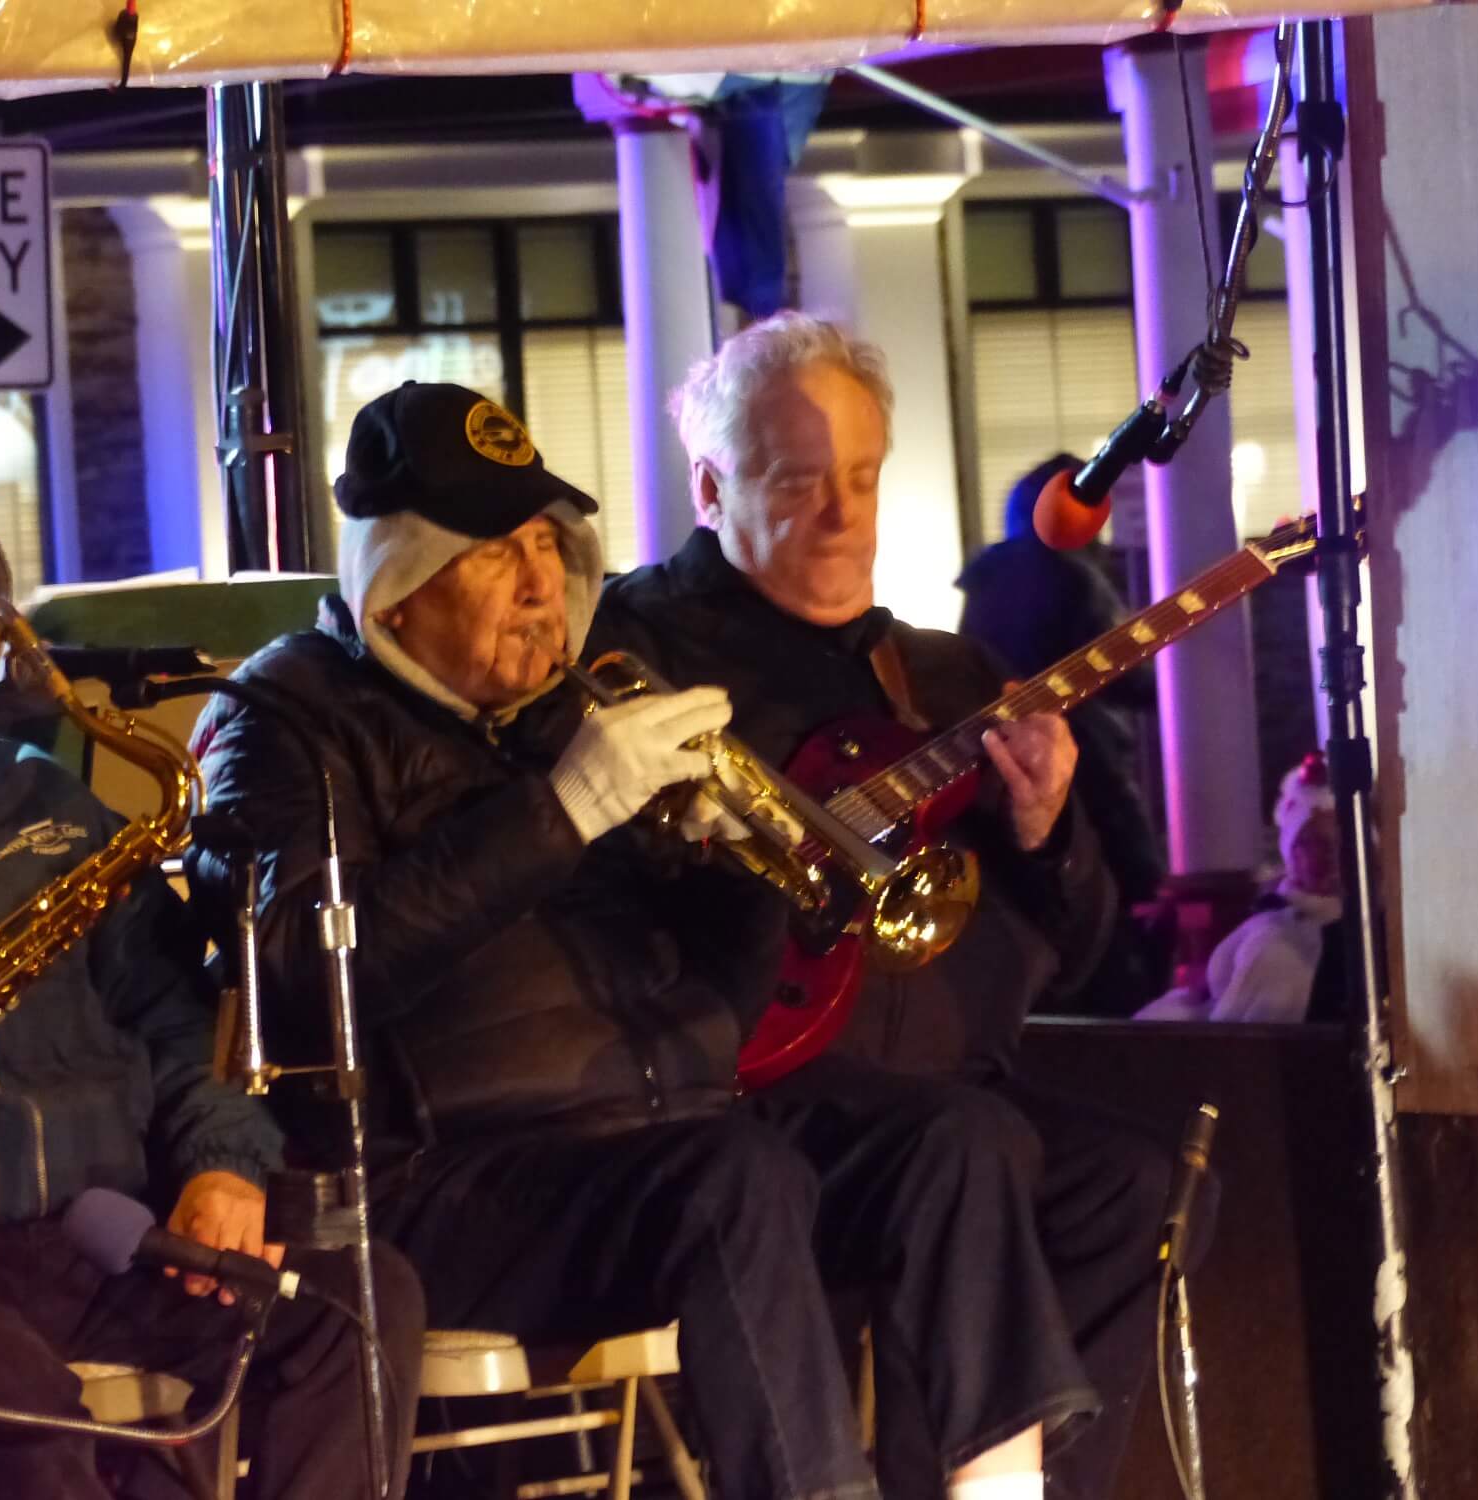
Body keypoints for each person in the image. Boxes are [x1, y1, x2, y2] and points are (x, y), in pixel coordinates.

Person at [187, 381, 1094, 1500]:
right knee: (733, 1175)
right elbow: (294, 973)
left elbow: (711, 994)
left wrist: (747, 876)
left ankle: (1000, 1490)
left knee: (953, 1139)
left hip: (671, 1131)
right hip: (453, 1175)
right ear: (399, 584)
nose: (538, 588)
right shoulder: (282, 717)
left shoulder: (570, 704)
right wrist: (556, 814)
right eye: (493, 555)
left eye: (547, 544)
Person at [590, 313, 1212, 1500]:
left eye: (864, 479)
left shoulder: (942, 678)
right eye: (799, 481)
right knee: (962, 1148)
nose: (843, 515)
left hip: (946, 1099)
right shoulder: (633, 654)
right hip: (737, 1107)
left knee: (1140, 1188)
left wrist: (1045, 834)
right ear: (712, 489)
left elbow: (1072, 961)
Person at [0, 471, 420, 1500]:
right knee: (19, 1397)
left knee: (357, 1298)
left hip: (104, 1230)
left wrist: (221, 1165)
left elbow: (181, 1011)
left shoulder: (51, 801)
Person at [956, 455, 1166, 1015]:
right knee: (1128, 907)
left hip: (994, 769)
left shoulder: (987, 579)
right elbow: (1136, 679)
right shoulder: (1072, 576)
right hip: (1081, 766)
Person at [1139, 752, 1345, 1025]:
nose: (1328, 855)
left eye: (1339, 842)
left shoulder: (1318, 938)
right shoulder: (1273, 913)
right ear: (1292, 851)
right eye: (1313, 842)